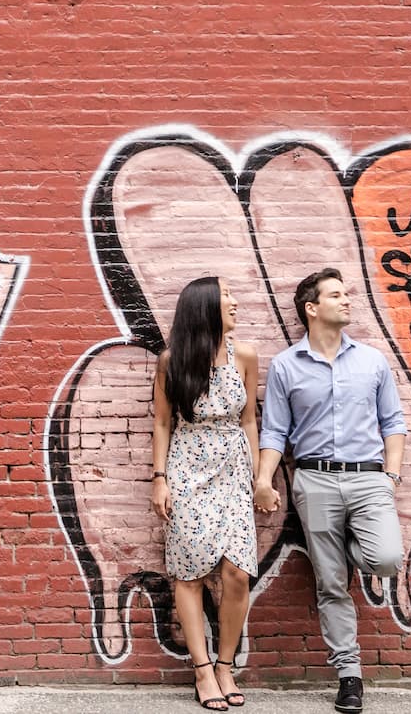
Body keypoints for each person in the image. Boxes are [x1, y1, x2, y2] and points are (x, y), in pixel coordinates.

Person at [253, 268, 405, 714]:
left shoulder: (373, 361)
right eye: (336, 295)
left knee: (386, 558)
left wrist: (390, 476)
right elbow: (274, 432)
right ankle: (349, 675)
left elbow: (394, 423)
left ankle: (346, 549)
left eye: (347, 294)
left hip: (369, 479)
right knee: (331, 583)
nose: (347, 301)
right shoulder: (285, 366)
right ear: (312, 308)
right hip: (314, 480)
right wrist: (264, 480)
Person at [151, 276, 260, 711]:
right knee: (190, 572)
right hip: (187, 467)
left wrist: (256, 475)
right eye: (226, 295)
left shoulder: (246, 356)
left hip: (233, 467)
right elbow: (162, 422)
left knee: (237, 571)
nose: (234, 301)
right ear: (204, 306)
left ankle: (225, 664)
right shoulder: (171, 361)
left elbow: (250, 419)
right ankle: (201, 670)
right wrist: (159, 478)